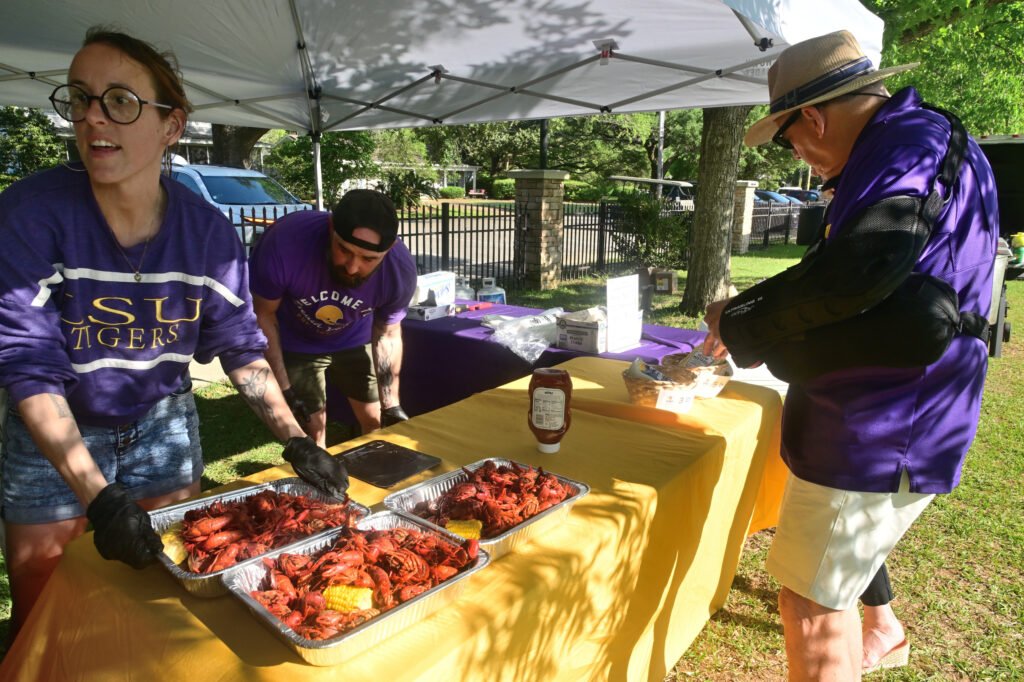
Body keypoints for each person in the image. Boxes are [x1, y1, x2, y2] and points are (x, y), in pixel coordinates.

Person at [0, 28, 347, 637]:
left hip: (162, 426)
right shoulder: (28, 215)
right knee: (43, 605)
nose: (93, 118)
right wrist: (98, 495)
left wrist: (295, 440)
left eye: (120, 101)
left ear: (171, 125)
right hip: (53, 433)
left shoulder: (208, 236)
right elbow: (28, 364)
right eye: (80, 98)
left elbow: (241, 347)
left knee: (165, 595)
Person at [702, 31, 997, 680]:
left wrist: (743, 320)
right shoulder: (923, 139)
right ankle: (884, 629)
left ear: (810, 117)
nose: (798, 158)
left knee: (810, 602)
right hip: (895, 412)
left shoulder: (903, 144)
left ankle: (876, 632)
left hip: (882, 421)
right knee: (831, 576)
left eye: (788, 141)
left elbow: (865, 262)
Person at [249, 189, 417, 445]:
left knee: (374, 421)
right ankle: (320, 485)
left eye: (369, 259)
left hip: (355, 339)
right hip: (297, 343)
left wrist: (391, 405)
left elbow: (388, 332)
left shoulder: (399, 271)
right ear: (330, 228)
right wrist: (284, 388)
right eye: (344, 250)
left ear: (391, 248)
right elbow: (263, 314)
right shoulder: (286, 242)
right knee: (313, 429)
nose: (352, 267)